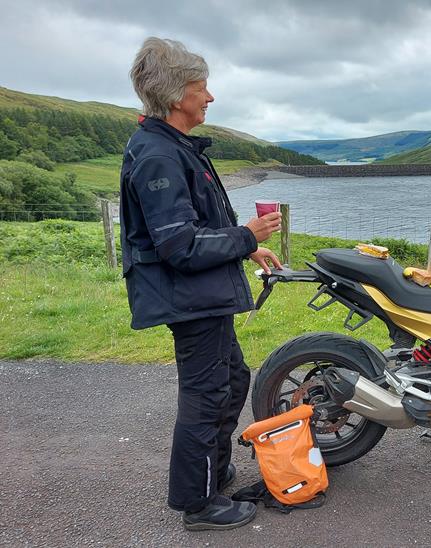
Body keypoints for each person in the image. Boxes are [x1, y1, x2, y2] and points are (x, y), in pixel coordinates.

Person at [120, 37, 282, 531]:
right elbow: (180, 247)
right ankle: (198, 504)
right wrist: (244, 234)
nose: (209, 96)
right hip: (190, 299)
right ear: (176, 96)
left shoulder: (171, 146)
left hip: (202, 296)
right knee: (206, 394)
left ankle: (210, 474)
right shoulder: (159, 158)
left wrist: (246, 246)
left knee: (233, 380)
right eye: (201, 87)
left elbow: (193, 226)